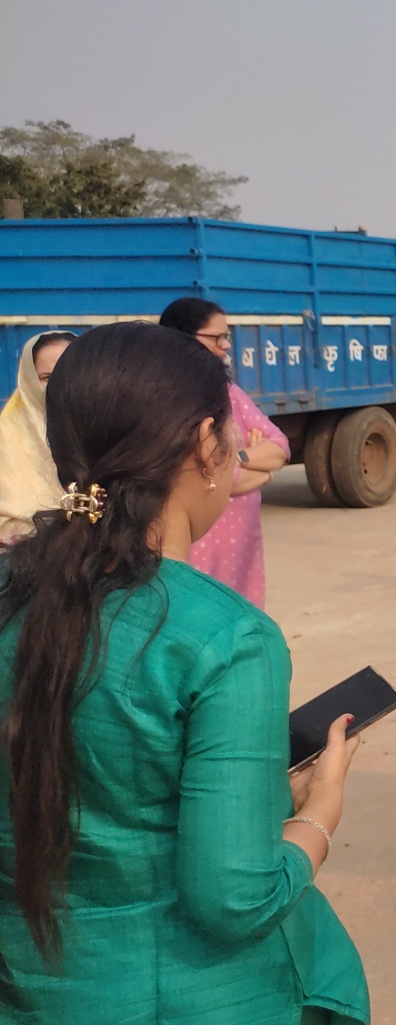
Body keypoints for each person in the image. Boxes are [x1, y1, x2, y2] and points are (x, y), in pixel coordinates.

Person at [0, 322, 368, 1024]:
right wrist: (319, 809)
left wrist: (259, 790)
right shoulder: (226, 638)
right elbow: (234, 898)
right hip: (186, 997)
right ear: (207, 445)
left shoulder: (14, 591)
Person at [158, 297, 291, 609]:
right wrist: (262, 470)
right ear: (181, 338)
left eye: (226, 336)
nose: (225, 346)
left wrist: (241, 458)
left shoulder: (229, 392)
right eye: (216, 337)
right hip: (201, 546)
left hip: (243, 546)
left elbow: (280, 446)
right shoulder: (170, 399)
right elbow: (222, 477)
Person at [0, 330, 75, 544]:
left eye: (66, 373)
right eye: (47, 377)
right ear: (29, 380)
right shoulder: (6, 436)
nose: (59, 384)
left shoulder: (106, 429)